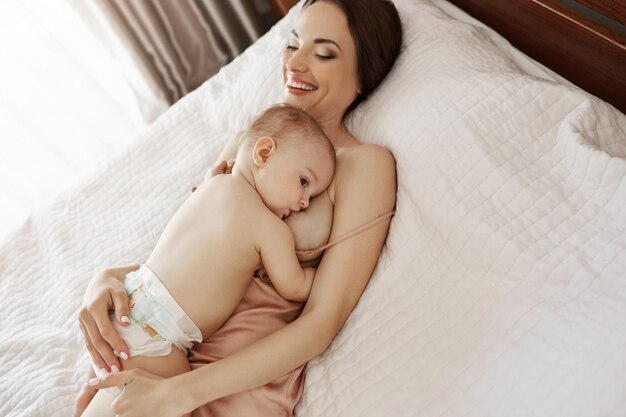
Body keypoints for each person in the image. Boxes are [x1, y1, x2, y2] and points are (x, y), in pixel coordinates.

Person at [74, 0, 402, 416]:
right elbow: (189, 254)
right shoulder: (254, 141)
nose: (295, 64)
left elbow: (322, 320)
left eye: (322, 53)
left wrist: (181, 393)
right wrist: (107, 280)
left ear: (363, 77)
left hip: (232, 383)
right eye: (293, 43)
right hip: (161, 346)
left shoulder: (364, 165)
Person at [79, 104, 335, 417]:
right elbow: (295, 287)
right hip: (159, 337)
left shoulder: (210, 185)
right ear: (264, 153)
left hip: (125, 306)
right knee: (171, 405)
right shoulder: (269, 229)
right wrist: (327, 269)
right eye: (304, 183)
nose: (304, 202)